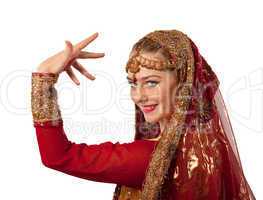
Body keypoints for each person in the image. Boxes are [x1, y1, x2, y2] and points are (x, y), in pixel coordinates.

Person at [31, 30, 256, 199]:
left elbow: (58, 156)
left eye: (151, 82)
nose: (138, 96)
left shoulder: (145, 159)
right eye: (133, 83)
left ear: (183, 84)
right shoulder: (213, 150)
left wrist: (44, 78)